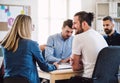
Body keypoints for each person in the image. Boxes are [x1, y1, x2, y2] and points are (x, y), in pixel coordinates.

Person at [0, 14, 58, 83]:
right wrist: (54, 66)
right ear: (27, 27)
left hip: (8, 80)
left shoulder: (6, 44)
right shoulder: (31, 44)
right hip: (27, 81)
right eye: (32, 25)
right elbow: (44, 67)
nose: (33, 28)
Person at [70, 11, 108, 81]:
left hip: (89, 79)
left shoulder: (78, 37)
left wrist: (77, 63)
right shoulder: (99, 36)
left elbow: (75, 67)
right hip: (106, 80)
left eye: (75, 23)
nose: (72, 27)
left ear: (84, 24)